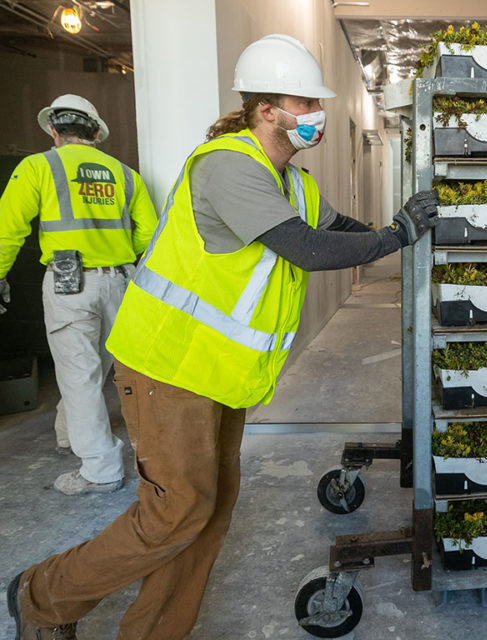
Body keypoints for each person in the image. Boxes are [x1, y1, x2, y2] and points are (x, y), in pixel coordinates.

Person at [6, 34, 437, 639]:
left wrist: (394, 225)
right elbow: (308, 250)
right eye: (305, 105)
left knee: (207, 516)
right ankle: (41, 597)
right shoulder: (228, 166)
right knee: (174, 512)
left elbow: (336, 227)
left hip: (222, 375)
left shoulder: (294, 183)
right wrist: (397, 235)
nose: (316, 116)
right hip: (169, 366)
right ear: (268, 111)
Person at [0, 94, 158, 496]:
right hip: (122, 282)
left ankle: (100, 470)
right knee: (100, 368)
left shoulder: (39, 166)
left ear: (54, 130)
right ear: (96, 133)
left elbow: (8, 229)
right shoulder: (125, 174)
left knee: (79, 375)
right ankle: (69, 433)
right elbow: (148, 232)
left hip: (70, 284)